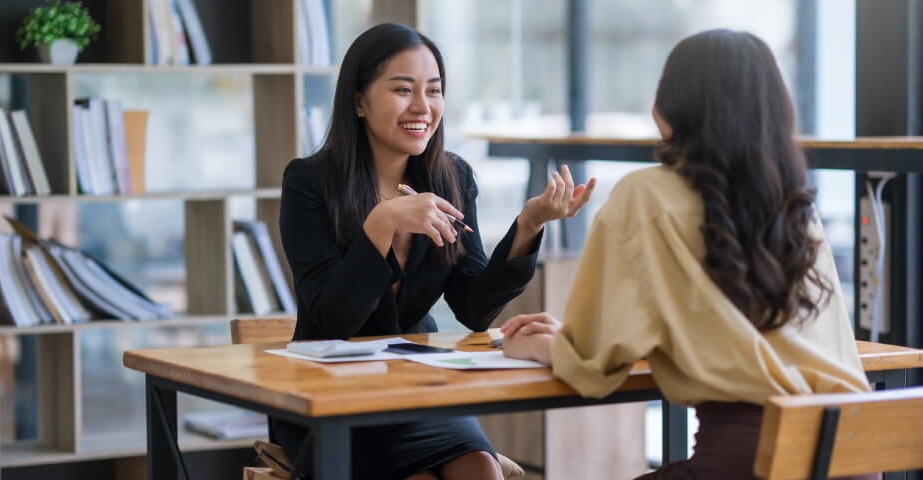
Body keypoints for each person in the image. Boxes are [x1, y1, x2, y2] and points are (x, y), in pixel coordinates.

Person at [501, 29, 878, 480]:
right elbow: (732, 332)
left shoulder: (645, 197)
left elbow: (593, 367)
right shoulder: (793, 204)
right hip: (855, 455)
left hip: (750, 462)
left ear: (667, 108)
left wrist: (538, 346)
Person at [278, 23, 596, 480]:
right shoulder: (309, 183)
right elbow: (332, 322)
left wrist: (529, 224)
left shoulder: (452, 178)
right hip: (329, 395)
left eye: (434, 90)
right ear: (359, 101)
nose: (423, 107)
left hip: (417, 389)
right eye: (403, 90)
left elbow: (473, 306)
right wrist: (382, 223)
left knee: (481, 470)